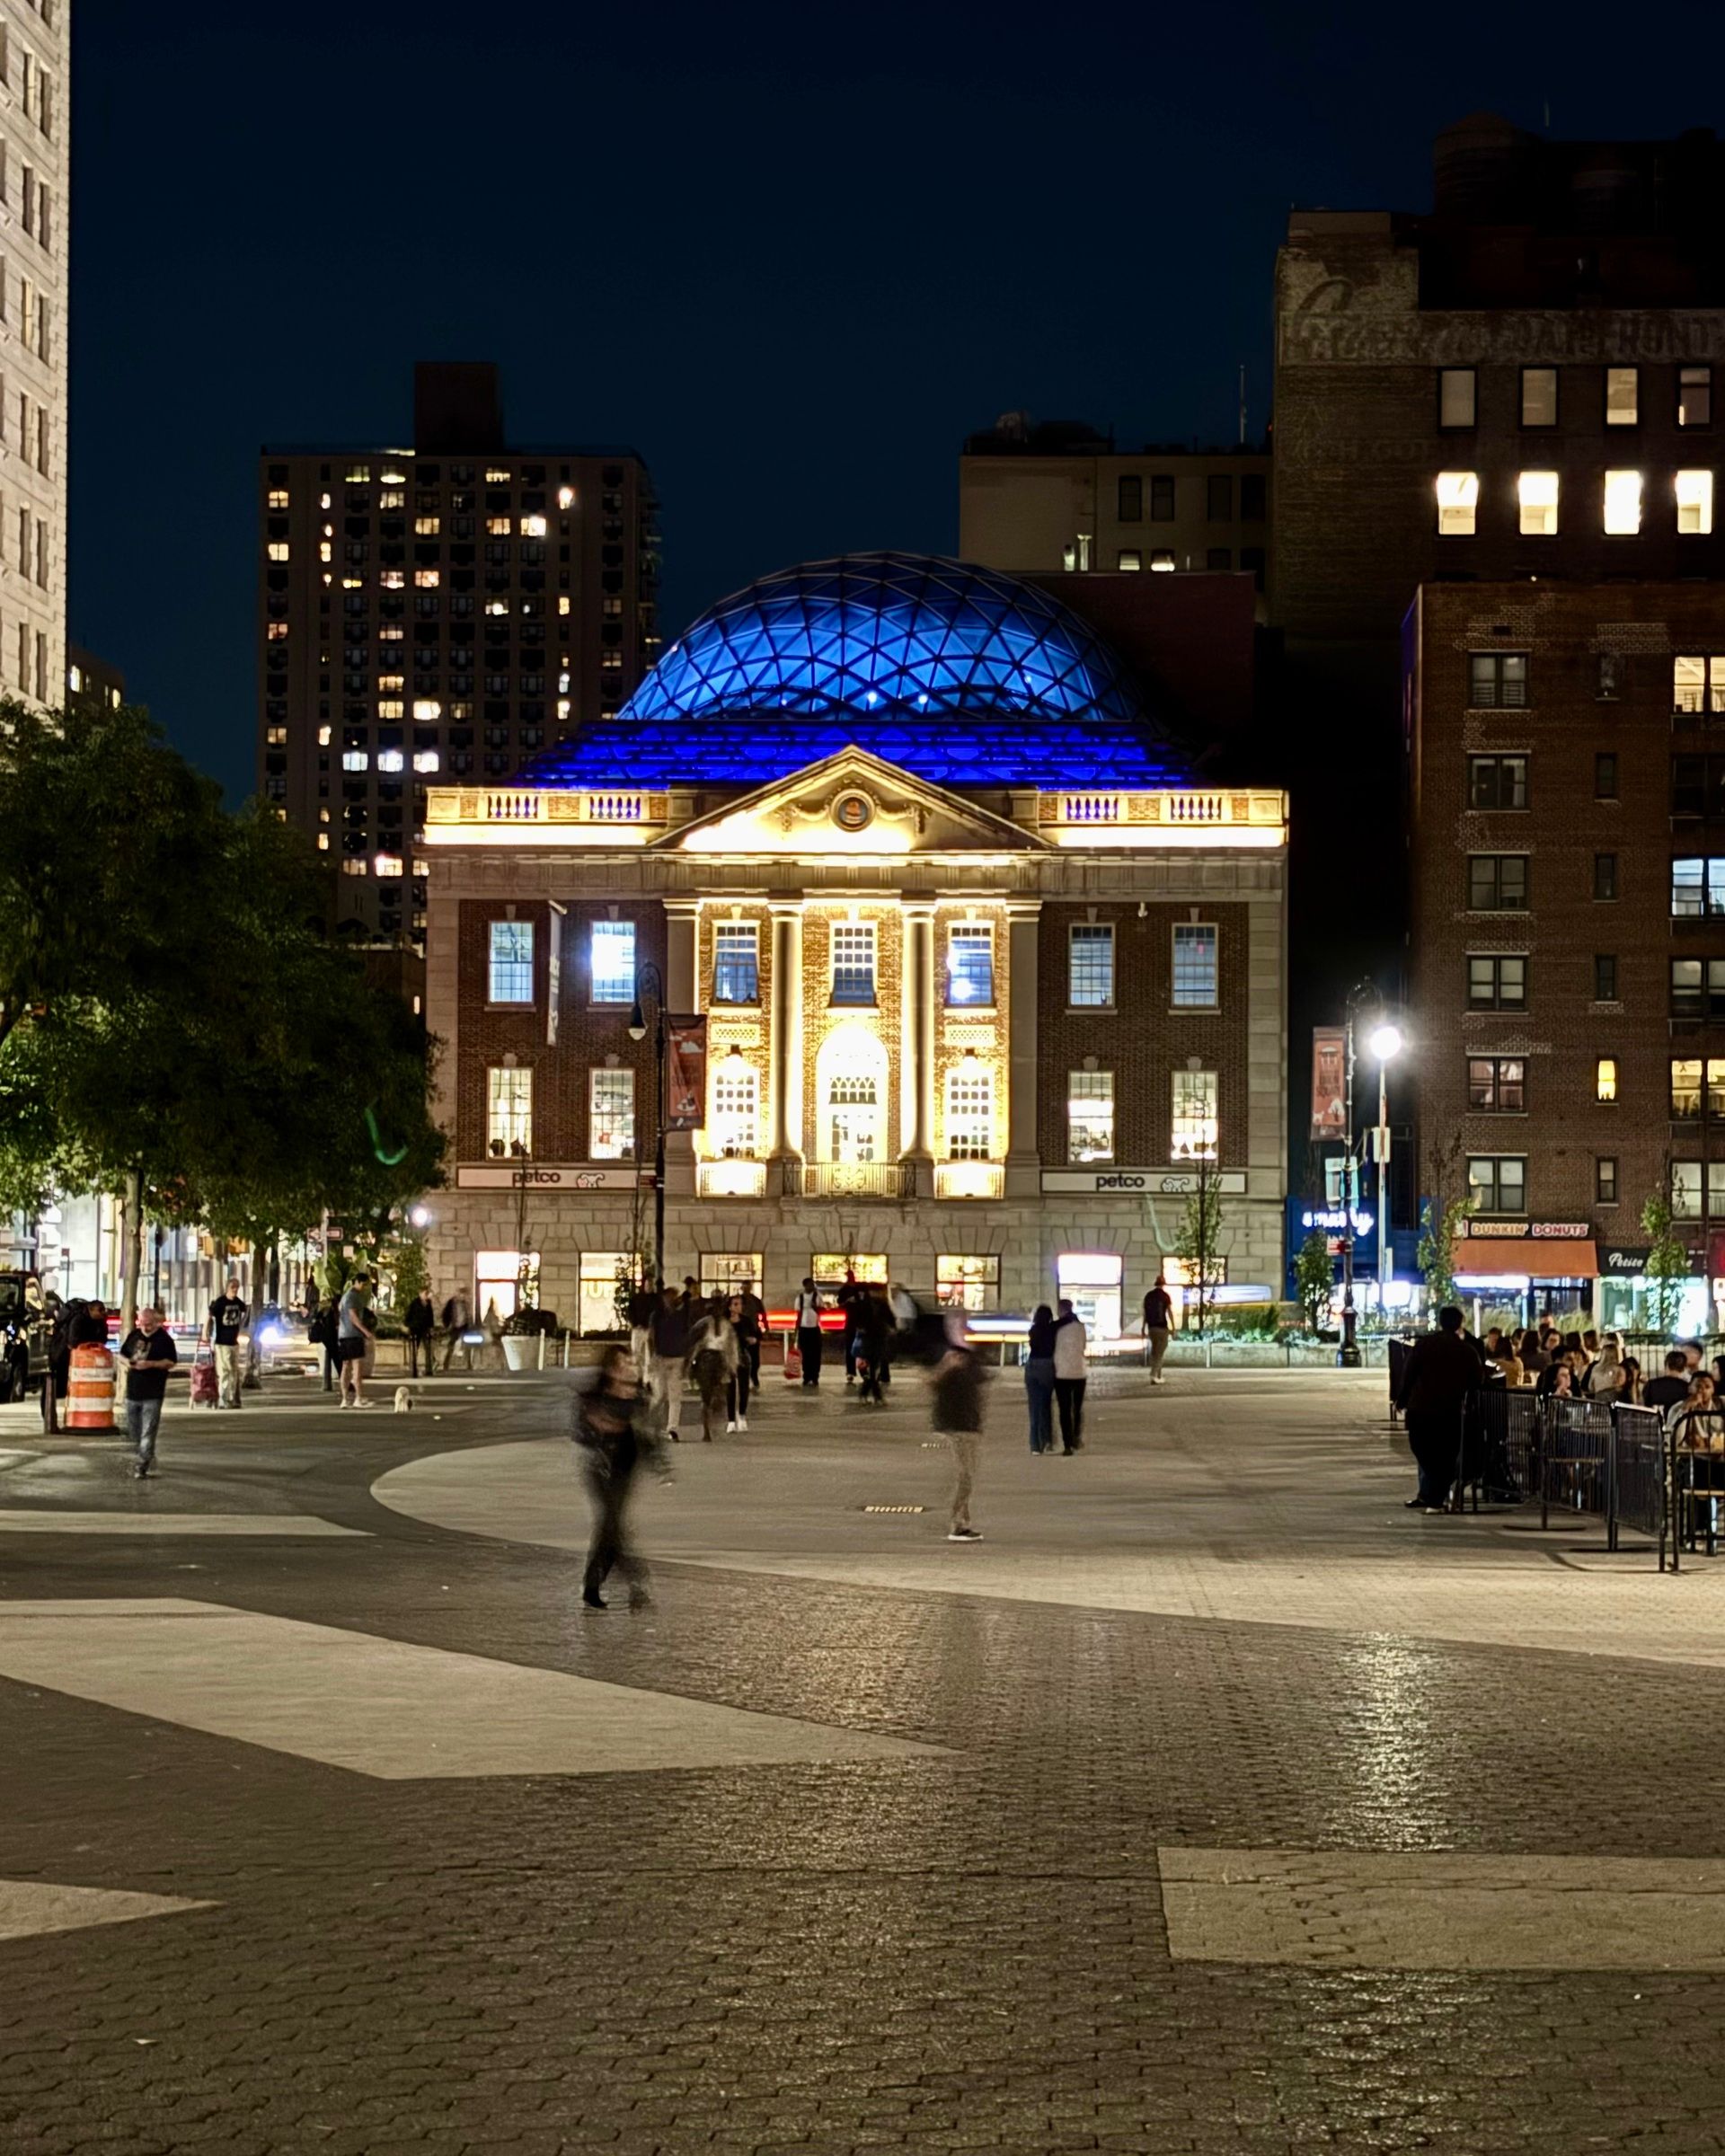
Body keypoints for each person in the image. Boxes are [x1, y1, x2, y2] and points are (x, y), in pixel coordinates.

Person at [571, 1345, 658, 1611]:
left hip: (624, 1465)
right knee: (612, 1525)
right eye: (622, 1364)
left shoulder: (637, 1397)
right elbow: (582, 1432)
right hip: (600, 1467)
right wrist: (601, 1427)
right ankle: (637, 1582)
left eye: (631, 1363)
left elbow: (645, 1433)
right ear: (610, 1368)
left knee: (610, 1526)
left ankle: (593, 1586)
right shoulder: (594, 1397)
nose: (628, 1368)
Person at [1393, 1304, 1482, 1512]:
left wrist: (1402, 1399)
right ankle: (1435, 1496)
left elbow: (1409, 1373)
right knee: (1446, 1454)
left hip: (1421, 1409)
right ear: (1460, 1324)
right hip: (1450, 1411)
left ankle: (1433, 1496)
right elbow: (1477, 1380)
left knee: (1423, 1450)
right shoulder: (1467, 1351)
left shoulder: (1425, 1345)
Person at [932, 1320, 985, 1542]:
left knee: (967, 1475)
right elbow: (934, 1384)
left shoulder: (967, 1360)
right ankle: (957, 1524)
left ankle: (964, 1521)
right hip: (959, 1426)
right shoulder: (952, 1360)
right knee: (965, 1477)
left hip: (968, 1425)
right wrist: (947, 1368)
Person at [118, 1306, 177, 1478]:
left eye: (149, 1323)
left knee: (148, 1431)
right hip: (133, 1391)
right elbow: (122, 1354)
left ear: (156, 1322)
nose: (145, 1327)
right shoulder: (134, 1336)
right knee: (134, 1430)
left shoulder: (164, 1340)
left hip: (153, 1392)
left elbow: (171, 1362)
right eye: (142, 1323)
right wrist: (127, 1362)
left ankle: (142, 1464)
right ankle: (145, 1455)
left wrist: (151, 1364)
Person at [645, 1284, 691, 1440]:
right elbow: (650, 1338)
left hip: (677, 1358)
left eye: (674, 1296)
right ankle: (650, 1424)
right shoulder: (656, 1315)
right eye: (668, 1296)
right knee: (659, 1395)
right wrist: (652, 1357)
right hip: (661, 1357)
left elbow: (687, 1336)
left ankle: (672, 1428)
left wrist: (687, 1359)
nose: (671, 1299)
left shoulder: (682, 1315)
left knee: (675, 1396)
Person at [688, 1294, 737, 1443]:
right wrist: (690, 1362)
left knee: (720, 1394)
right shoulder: (704, 1324)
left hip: (720, 1361)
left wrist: (732, 1365)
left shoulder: (726, 1326)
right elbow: (693, 1342)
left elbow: (731, 1346)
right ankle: (706, 1430)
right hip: (706, 1360)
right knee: (706, 1397)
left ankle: (712, 1421)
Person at [202, 1275, 250, 1410]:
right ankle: (223, 1400)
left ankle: (232, 1399)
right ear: (228, 1288)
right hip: (222, 1343)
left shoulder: (238, 1302)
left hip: (234, 1343)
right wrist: (205, 1332)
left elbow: (245, 1310)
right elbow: (209, 1316)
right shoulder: (220, 1302)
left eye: (237, 1287)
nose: (235, 1290)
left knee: (233, 1371)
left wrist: (241, 1326)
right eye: (232, 1287)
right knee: (224, 1372)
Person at [1052, 1297, 1088, 1452]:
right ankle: (1076, 1437)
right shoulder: (1081, 1327)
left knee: (1064, 1410)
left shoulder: (1056, 1327)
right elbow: (1084, 1346)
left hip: (1062, 1372)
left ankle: (1067, 1444)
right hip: (1079, 1371)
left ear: (1060, 1310)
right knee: (1077, 1408)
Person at [336, 1273, 376, 1409]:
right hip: (353, 1335)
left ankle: (344, 1399)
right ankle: (358, 1398)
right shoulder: (353, 1296)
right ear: (357, 1282)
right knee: (357, 1368)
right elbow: (353, 1316)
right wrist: (366, 1332)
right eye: (364, 1284)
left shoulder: (345, 1296)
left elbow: (341, 1312)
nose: (365, 1287)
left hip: (343, 1334)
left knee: (345, 1367)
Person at [1023, 1303, 1057, 1454]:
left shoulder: (1033, 1330)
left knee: (1034, 1406)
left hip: (1032, 1365)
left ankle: (1035, 1445)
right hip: (1047, 1365)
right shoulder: (1052, 1330)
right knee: (1045, 1404)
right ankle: (1047, 1440)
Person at [855, 1287, 893, 1405]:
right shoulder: (881, 1305)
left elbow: (859, 1322)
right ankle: (875, 1396)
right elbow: (891, 1320)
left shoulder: (865, 1305)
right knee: (873, 1371)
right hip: (876, 1340)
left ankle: (869, 1395)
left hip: (870, 1341)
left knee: (872, 1371)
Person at [724, 1294, 756, 1432]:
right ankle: (731, 1420)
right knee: (730, 1389)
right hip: (728, 1357)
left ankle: (741, 1415)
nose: (739, 1307)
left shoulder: (746, 1321)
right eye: (736, 1304)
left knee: (743, 1389)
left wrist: (752, 1340)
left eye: (740, 1304)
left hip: (742, 1356)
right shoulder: (724, 1322)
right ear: (730, 1306)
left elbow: (755, 1335)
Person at [736, 1281, 766, 1402]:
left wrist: (765, 1327)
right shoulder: (737, 1301)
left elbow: (762, 1314)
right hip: (741, 1331)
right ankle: (743, 1378)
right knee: (741, 1356)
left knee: (755, 1357)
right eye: (744, 1287)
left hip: (753, 1331)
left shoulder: (756, 1300)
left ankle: (754, 1376)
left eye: (748, 1287)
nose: (746, 1289)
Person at [1142, 1276, 1173, 1385]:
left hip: (1152, 1328)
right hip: (1162, 1327)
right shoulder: (1165, 1296)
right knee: (1160, 1353)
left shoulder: (1149, 1296)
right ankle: (1153, 1375)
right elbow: (1169, 1312)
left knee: (1155, 1352)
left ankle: (1159, 1375)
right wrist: (1173, 1328)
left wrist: (1143, 1327)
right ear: (1163, 1284)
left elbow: (1145, 1313)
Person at [795, 1277, 824, 1388]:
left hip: (814, 1328)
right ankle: (807, 1376)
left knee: (815, 1353)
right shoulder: (800, 1298)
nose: (811, 1287)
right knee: (805, 1353)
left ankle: (815, 1376)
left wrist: (815, 1307)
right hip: (804, 1328)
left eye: (813, 1285)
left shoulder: (817, 1296)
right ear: (805, 1286)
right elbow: (798, 1313)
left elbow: (822, 1310)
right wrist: (796, 1328)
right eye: (809, 1284)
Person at [838, 1271, 866, 1385]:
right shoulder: (844, 1290)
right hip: (851, 1322)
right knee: (851, 1347)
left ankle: (863, 1371)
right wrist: (847, 1302)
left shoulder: (860, 1288)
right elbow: (840, 1303)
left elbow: (865, 1303)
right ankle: (851, 1371)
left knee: (863, 1348)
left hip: (860, 1321)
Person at [1644, 1349, 1692, 1413]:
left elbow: (1645, 1407)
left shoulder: (1651, 1385)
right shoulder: (1688, 1388)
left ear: (1667, 1365)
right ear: (1684, 1368)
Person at [1587, 1332, 1626, 1403]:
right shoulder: (1619, 1370)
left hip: (1598, 1401)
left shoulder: (1595, 1368)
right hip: (1614, 1402)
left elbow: (1590, 1387)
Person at [404, 1289, 436, 1377]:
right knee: (414, 1349)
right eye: (425, 1293)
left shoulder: (428, 1303)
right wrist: (408, 1325)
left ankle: (429, 1370)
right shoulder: (415, 1303)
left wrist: (431, 1327)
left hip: (425, 1328)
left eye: (427, 1293)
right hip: (415, 1328)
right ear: (420, 1294)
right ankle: (413, 1369)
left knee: (428, 1349)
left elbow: (431, 1316)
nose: (426, 1295)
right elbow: (408, 1315)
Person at [439, 1289, 472, 1372]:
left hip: (464, 1326)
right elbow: (445, 1314)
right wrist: (447, 1325)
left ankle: (468, 1364)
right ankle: (446, 1364)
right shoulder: (451, 1303)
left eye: (464, 1295)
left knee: (467, 1345)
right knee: (451, 1345)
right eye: (462, 1295)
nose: (463, 1297)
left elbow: (467, 1315)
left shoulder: (465, 1304)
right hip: (454, 1327)